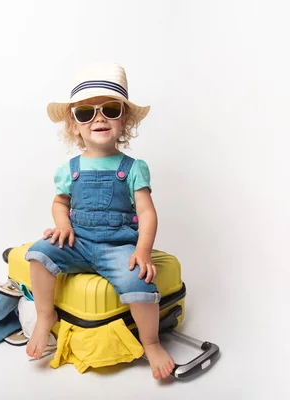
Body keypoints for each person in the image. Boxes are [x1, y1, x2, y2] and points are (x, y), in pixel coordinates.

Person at [24, 63, 175, 379]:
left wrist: (143, 251)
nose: (99, 118)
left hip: (118, 247)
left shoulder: (132, 168)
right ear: (74, 126)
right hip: (76, 242)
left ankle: (151, 342)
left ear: (125, 120)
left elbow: (147, 213)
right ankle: (44, 315)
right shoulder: (70, 168)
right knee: (38, 254)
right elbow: (60, 202)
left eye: (110, 109)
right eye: (85, 113)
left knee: (140, 284)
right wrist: (63, 224)